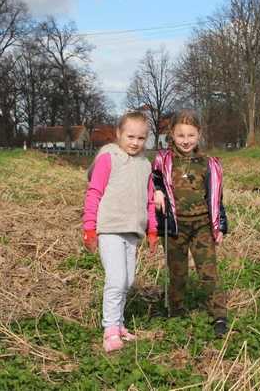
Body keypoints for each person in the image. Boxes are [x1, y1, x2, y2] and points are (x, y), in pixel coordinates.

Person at [83, 111, 158, 353]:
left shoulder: (145, 165)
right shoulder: (109, 158)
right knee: (116, 280)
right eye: (130, 136)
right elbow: (94, 193)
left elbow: (149, 200)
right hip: (110, 229)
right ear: (118, 134)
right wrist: (89, 229)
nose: (135, 142)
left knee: (127, 281)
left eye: (141, 138)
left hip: (132, 232)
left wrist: (153, 229)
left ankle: (120, 323)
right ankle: (110, 330)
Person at [151, 109, 229, 337]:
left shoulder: (208, 163)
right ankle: (176, 311)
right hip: (175, 228)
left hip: (202, 226)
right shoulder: (163, 161)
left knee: (209, 272)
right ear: (172, 135)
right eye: (181, 135)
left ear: (199, 134)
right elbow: (153, 181)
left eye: (191, 136)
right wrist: (156, 191)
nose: (186, 141)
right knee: (178, 272)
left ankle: (219, 315)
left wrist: (220, 225)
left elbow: (216, 196)